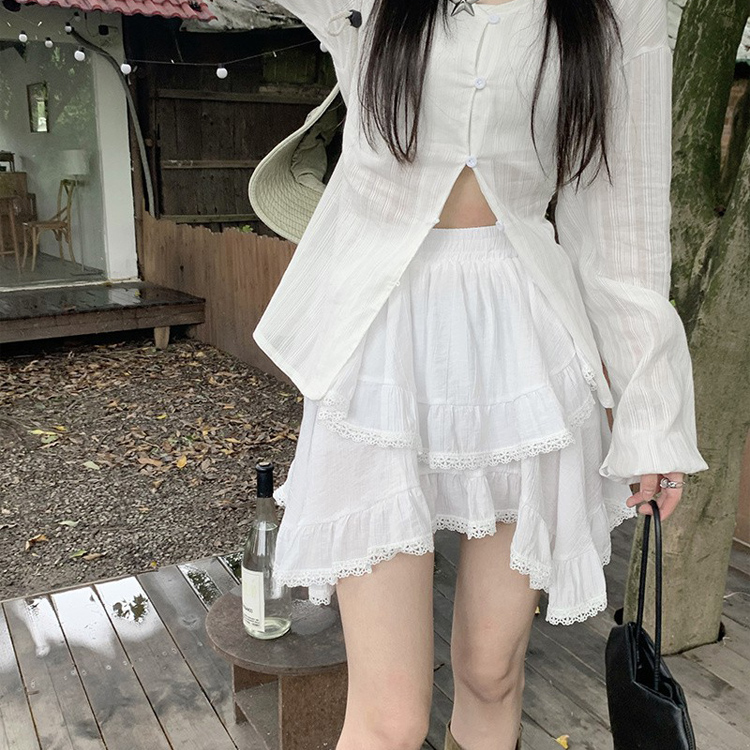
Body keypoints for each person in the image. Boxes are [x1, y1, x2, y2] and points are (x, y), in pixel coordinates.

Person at [250, 0, 710, 748]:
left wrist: (650, 413)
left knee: (491, 670)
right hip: (381, 340)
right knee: (391, 717)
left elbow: (622, 223)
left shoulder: (617, 10)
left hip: (524, 345)